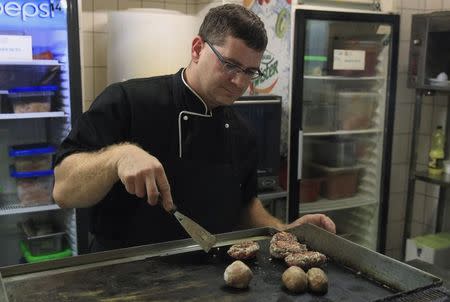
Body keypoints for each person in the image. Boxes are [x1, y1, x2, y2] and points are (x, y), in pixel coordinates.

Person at [53, 4, 335, 252]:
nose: (239, 82)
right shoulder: (128, 101)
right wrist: (119, 156)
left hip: (208, 278)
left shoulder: (243, 133)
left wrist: (285, 231)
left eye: (250, 72)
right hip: (123, 275)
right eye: (230, 65)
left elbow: (245, 206)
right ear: (198, 48)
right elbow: (63, 191)